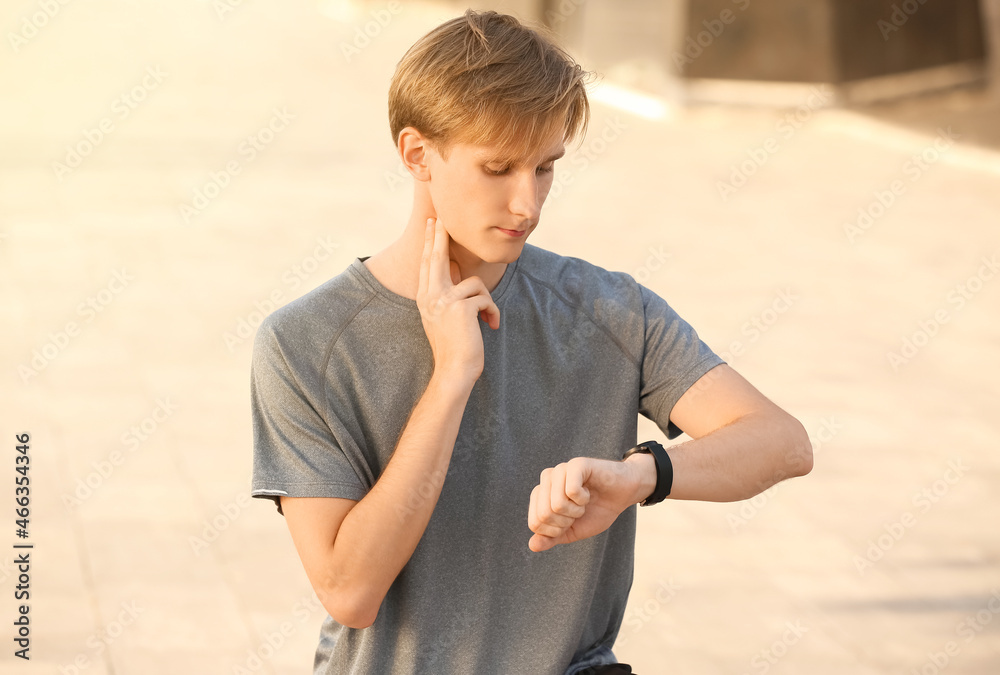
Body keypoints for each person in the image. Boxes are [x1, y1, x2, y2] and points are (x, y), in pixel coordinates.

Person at [249, 9, 812, 675]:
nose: (529, 204)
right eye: (499, 168)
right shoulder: (303, 343)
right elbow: (350, 590)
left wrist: (641, 475)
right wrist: (452, 375)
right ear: (416, 154)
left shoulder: (607, 309)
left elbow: (782, 442)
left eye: (546, 168)